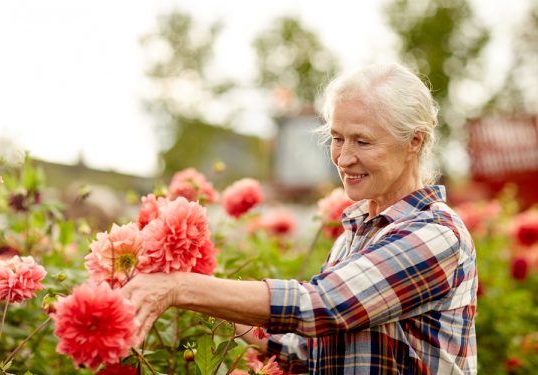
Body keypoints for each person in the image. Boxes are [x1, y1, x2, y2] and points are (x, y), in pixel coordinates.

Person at [121, 63, 477, 374]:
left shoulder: (435, 234)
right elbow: (310, 349)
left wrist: (179, 287)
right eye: (337, 138)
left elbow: (323, 305)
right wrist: (211, 295)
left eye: (363, 142)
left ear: (414, 141)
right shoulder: (352, 236)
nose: (344, 158)